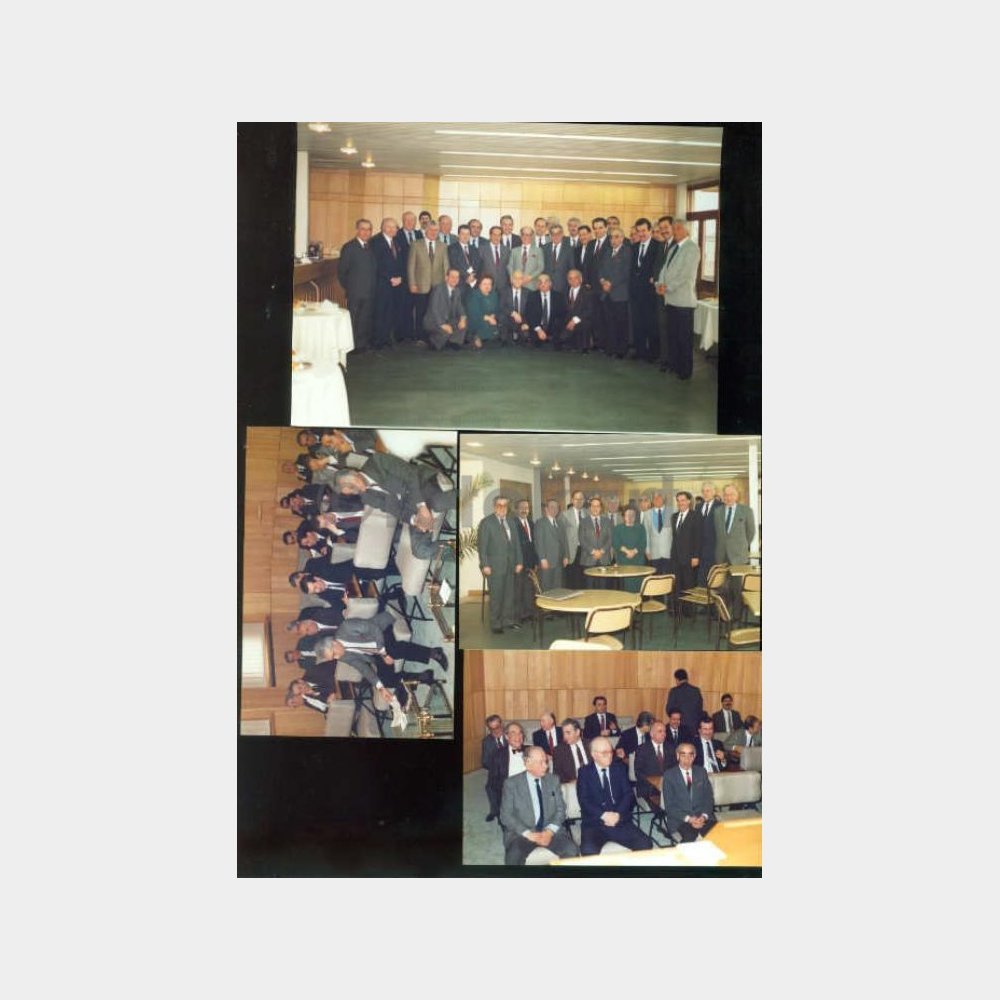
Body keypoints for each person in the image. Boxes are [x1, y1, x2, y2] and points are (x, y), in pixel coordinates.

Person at [499, 746, 580, 865]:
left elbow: (561, 809)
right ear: (528, 764)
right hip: (522, 833)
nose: (546, 766)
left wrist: (549, 831)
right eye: (541, 762)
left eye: (546, 761)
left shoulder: (553, 780)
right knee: (513, 857)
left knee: (572, 850)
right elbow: (506, 815)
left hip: (550, 830)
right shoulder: (511, 783)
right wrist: (529, 834)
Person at [576, 737, 653, 855]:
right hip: (595, 823)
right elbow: (584, 801)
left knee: (645, 844)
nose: (609, 755)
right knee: (588, 851)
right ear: (594, 755)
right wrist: (604, 815)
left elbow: (628, 795)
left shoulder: (619, 768)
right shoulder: (584, 772)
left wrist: (618, 814)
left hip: (620, 820)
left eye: (610, 751)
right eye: (604, 753)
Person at [657, 217, 700, 379]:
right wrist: (660, 284)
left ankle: (685, 370)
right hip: (670, 300)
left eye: (678, 229)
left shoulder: (692, 248)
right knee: (673, 335)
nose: (674, 232)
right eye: (674, 229)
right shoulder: (674, 248)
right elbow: (664, 269)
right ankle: (675, 365)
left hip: (683, 301)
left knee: (684, 338)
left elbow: (686, 275)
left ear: (686, 231)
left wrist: (667, 287)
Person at [477, 496, 523, 634]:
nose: (502, 508)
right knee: (496, 596)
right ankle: (496, 623)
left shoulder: (511, 522)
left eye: (505, 505)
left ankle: (508, 621)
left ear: (508, 507)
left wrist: (519, 561)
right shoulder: (486, 522)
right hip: (494, 566)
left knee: (509, 595)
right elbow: (482, 546)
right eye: (499, 505)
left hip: (511, 564)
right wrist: (485, 564)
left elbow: (517, 544)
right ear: (494, 507)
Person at [714, 484, 757, 618]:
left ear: (737, 496)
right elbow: (717, 533)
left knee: (737, 588)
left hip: (738, 557)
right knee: (722, 587)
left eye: (731, 494)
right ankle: (724, 614)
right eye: (726, 495)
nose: (728, 497)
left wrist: (741, 546)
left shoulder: (746, 511)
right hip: (721, 555)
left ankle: (737, 615)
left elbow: (751, 532)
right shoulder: (717, 511)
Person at [661, 743, 717, 842]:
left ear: (694, 757)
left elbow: (708, 798)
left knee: (718, 836)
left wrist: (703, 816)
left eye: (690, 755)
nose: (687, 759)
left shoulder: (701, 772)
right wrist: (690, 819)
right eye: (683, 755)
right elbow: (670, 806)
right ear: (677, 756)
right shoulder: (669, 775)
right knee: (690, 839)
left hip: (702, 816)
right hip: (681, 819)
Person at [406, 220, 448, 344]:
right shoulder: (415, 245)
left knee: (435, 312)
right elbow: (411, 266)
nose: (434, 232)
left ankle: (434, 336)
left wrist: (446, 285)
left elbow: (446, 266)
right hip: (420, 286)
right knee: (421, 312)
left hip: (438, 286)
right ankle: (420, 337)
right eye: (431, 230)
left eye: (436, 230)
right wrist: (412, 283)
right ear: (426, 231)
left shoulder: (443, 246)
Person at [337, 218, 376, 352]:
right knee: (353, 319)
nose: (366, 232)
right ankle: (352, 346)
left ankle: (361, 345)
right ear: (357, 230)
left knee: (365, 319)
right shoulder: (349, 247)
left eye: (368, 229)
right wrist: (351, 288)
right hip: (355, 292)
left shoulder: (370, 247)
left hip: (369, 292)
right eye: (363, 229)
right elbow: (342, 272)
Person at [371, 217, 407, 349]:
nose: (392, 229)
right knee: (381, 312)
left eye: (394, 227)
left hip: (397, 285)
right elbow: (376, 264)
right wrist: (390, 278)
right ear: (382, 228)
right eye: (389, 227)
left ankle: (387, 338)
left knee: (392, 312)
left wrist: (401, 278)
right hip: (382, 284)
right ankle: (378, 341)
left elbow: (402, 262)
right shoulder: (375, 242)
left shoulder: (397, 242)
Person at [628, 218, 660, 362]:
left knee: (651, 324)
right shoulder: (634, 247)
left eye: (644, 230)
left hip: (650, 293)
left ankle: (653, 353)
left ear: (650, 231)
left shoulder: (658, 246)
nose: (641, 234)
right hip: (635, 294)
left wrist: (655, 278)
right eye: (638, 231)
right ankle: (640, 351)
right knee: (638, 323)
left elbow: (659, 268)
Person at [598, 227, 632, 358]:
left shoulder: (627, 252)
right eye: (611, 237)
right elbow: (600, 269)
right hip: (606, 293)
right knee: (609, 322)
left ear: (622, 238)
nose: (613, 240)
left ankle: (621, 350)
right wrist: (602, 281)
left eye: (617, 237)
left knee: (621, 323)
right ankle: (611, 348)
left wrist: (610, 283)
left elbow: (625, 272)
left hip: (620, 294)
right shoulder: (607, 252)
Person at [487, 721, 528, 814]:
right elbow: (491, 786)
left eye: (520, 733)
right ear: (506, 737)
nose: (518, 737)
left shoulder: (530, 751)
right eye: (513, 733)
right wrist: (497, 809)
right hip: (510, 796)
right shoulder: (497, 755)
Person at [423, 267, 467, 350]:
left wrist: (463, 318)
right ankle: (433, 341)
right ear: (446, 277)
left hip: (448, 320)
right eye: (452, 277)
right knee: (445, 332)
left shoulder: (457, 291)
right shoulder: (438, 289)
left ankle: (452, 342)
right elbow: (434, 309)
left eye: (457, 277)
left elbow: (460, 308)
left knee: (463, 324)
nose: (455, 279)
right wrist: (442, 325)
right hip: (434, 321)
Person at [634, 720, 678, 803]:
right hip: (648, 787)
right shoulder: (642, 749)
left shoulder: (671, 748)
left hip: (668, 785)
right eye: (660, 731)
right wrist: (653, 781)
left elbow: (675, 767)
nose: (664, 734)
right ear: (651, 734)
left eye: (665, 731)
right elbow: (638, 771)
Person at [671, 490, 703, 594]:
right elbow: (675, 538)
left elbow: (698, 537)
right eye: (678, 500)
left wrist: (696, 556)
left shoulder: (696, 515)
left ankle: (688, 606)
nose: (680, 503)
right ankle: (678, 605)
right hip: (676, 559)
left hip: (690, 559)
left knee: (689, 587)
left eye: (683, 500)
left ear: (689, 501)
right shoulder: (674, 517)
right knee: (677, 587)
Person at [512, 498, 538, 622]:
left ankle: (529, 613)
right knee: (518, 590)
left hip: (530, 563)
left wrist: (535, 562)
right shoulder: (512, 524)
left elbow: (534, 545)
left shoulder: (531, 524)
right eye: (522, 507)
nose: (524, 510)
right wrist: (517, 562)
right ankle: (519, 616)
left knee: (529, 590)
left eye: (526, 508)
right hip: (518, 563)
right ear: (516, 509)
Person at [534, 498, 569, 591]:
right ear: (546, 509)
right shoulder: (540, 523)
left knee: (558, 586)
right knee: (546, 586)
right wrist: (542, 559)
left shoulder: (560, 523)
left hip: (559, 561)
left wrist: (566, 556)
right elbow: (539, 542)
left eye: (556, 507)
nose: (554, 509)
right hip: (547, 561)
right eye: (552, 507)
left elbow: (564, 541)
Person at [612, 506, 647, 593]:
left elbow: (643, 543)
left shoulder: (641, 528)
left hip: (638, 561)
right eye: (628, 515)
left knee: (638, 587)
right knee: (625, 589)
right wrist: (627, 551)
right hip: (623, 561)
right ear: (623, 516)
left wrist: (634, 552)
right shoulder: (617, 528)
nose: (630, 517)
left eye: (632, 515)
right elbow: (616, 543)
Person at [525, 274, 566, 348]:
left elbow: (562, 315)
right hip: (537, 328)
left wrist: (554, 330)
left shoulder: (559, 297)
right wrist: (539, 330)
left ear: (550, 283)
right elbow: (530, 315)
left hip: (553, 329)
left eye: (545, 282)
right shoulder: (532, 296)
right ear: (537, 284)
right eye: (540, 282)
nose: (543, 284)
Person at [578, 495, 613, 582]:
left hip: (604, 558)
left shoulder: (607, 521)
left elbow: (610, 539)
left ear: (601, 508)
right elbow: (582, 540)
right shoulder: (583, 522)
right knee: (590, 586)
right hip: (588, 559)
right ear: (590, 507)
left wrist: (601, 551)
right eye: (593, 506)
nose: (595, 508)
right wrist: (594, 551)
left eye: (597, 506)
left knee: (603, 586)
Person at [559, 489, 587, 589]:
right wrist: (564, 555)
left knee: (585, 579)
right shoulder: (564, 515)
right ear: (572, 500)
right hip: (571, 553)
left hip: (585, 552)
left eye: (581, 499)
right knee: (572, 581)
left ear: (584, 500)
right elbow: (561, 538)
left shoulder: (588, 513)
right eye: (576, 499)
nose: (579, 501)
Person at [563, 268, 596, 352]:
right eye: (570, 278)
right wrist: (569, 321)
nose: (573, 280)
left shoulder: (588, 292)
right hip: (568, 320)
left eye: (575, 278)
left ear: (581, 279)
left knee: (586, 323)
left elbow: (589, 311)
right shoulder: (565, 291)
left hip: (582, 319)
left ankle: (585, 345)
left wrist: (574, 320)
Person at [696, 481, 722, 586]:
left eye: (708, 491)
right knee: (701, 582)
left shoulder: (721, 507)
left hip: (715, 553)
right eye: (703, 491)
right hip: (700, 554)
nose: (705, 493)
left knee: (715, 583)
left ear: (714, 492)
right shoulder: (698, 507)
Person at [481, 714, 507, 821]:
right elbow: (484, 762)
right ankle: (494, 811)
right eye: (492, 729)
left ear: (501, 724)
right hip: (495, 771)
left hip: (510, 769)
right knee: (490, 787)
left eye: (497, 727)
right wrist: (496, 767)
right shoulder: (486, 741)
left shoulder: (510, 736)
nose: (495, 731)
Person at [447, 224, 482, 300]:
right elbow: (454, 265)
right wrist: (466, 277)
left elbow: (477, 265)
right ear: (458, 235)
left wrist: (472, 276)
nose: (465, 236)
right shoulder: (451, 249)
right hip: (459, 284)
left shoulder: (474, 249)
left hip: (473, 284)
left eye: (467, 234)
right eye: (463, 234)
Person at [464, 274, 499, 348]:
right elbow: (474, 313)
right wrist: (489, 318)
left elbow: (497, 309)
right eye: (484, 284)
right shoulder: (474, 295)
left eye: (489, 284)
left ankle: (484, 337)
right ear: (479, 285)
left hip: (490, 319)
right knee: (485, 327)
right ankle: (474, 337)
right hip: (477, 320)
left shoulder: (494, 295)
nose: (487, 286)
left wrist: (493, 315)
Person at [643, 492, 673, 576]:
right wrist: (647, 551)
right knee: (655, 577)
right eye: (654, 498)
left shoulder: (671, 512)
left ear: (663, 499)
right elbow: (646, 534)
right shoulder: (647, 514)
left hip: (668, 552)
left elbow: (675, 534)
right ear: (652, 501)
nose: (657, 499)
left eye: (659, 497)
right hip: (653, 553)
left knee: (668, 578)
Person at [553, 718, 590, 782]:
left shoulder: (591, 744)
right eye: (564, 733)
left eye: (568, 733)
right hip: (572, 784)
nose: (565, 736)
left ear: (577, 732)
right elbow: (557, 774)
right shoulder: (559, 750)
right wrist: (570, 782)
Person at [478, 225, 510, 292]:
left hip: (503, 285)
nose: (496, 237)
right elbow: (478, 268)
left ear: (501, 236)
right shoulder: (481, 249)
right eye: (494, 235)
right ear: (490, 235)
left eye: (499, 235)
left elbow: (508, 268)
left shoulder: (506, 250)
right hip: (487, 285)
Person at [543, 224, 573, 294]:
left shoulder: (569, 249)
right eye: (553, 234)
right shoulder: (544, 248)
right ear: (550, 235)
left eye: (558, 233)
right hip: (547, 285)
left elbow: (572, 268)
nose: (556, 236)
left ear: (562, 234)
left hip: (563, 286)